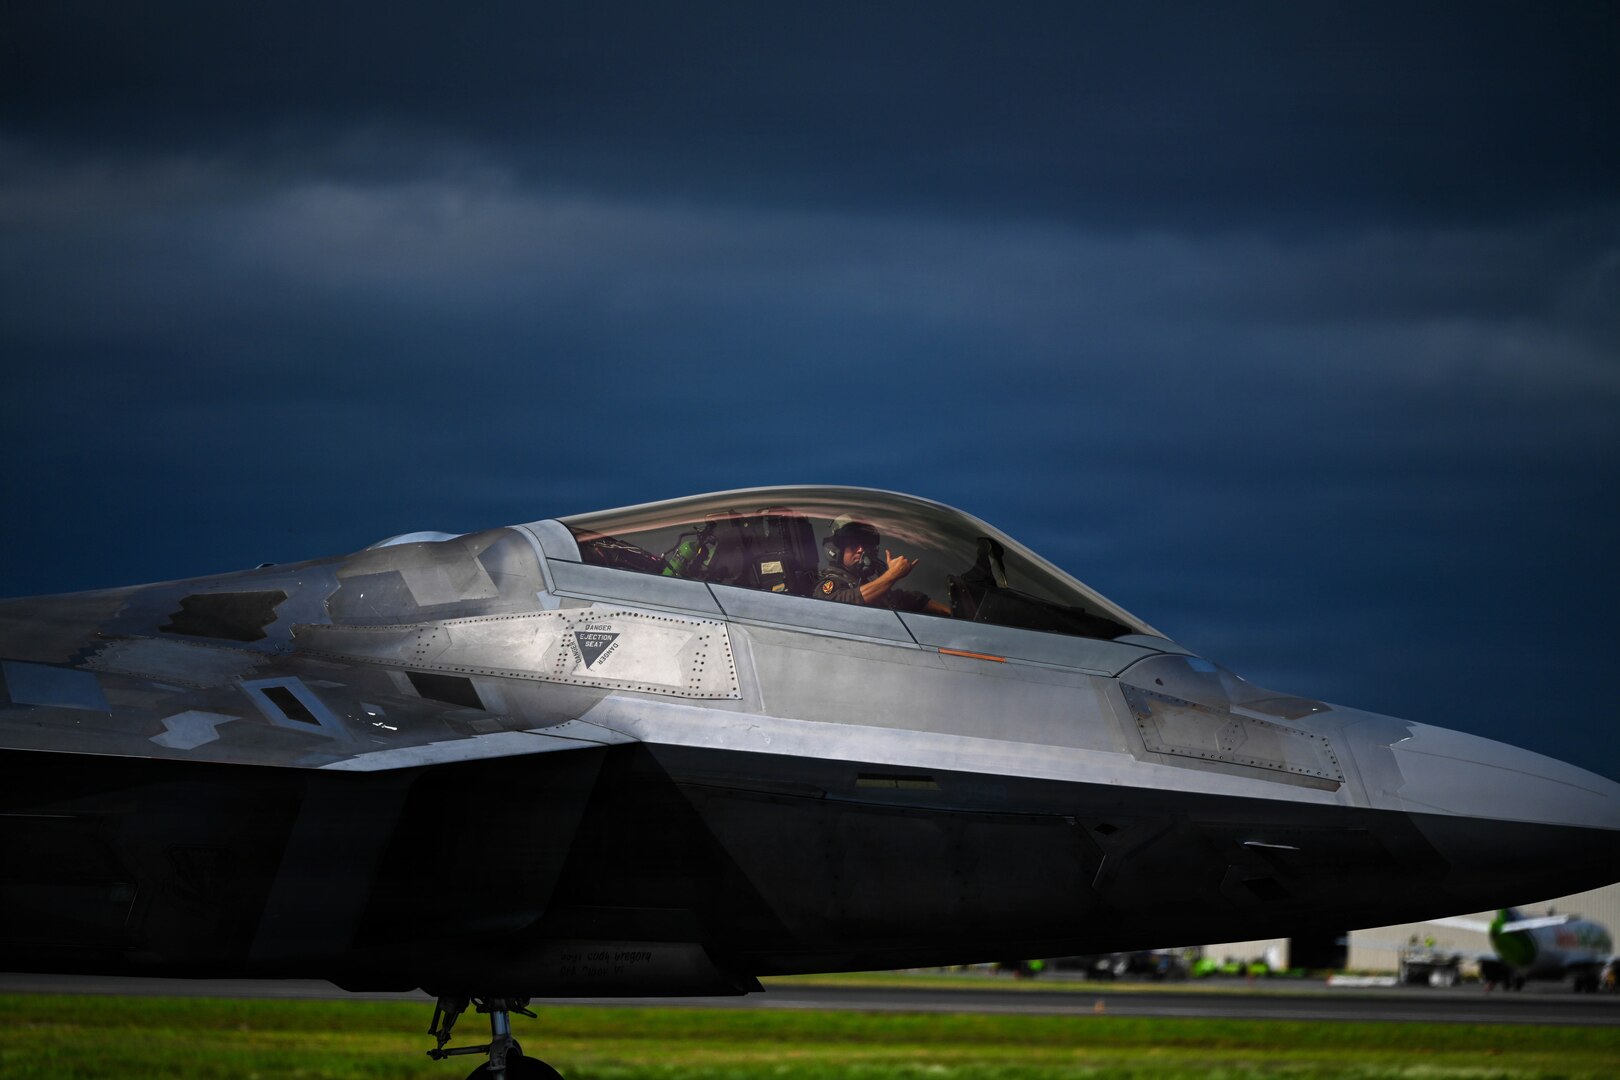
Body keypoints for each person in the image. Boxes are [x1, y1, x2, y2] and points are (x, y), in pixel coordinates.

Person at [814, 516, 950, 615]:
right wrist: (891, 576)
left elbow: (901, 599)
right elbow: (842, 603)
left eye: (866, 544)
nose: (861, 549)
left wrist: (951, 613)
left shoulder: (864, 583)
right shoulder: (830, 583)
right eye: (854, 544)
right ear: (837, 550)